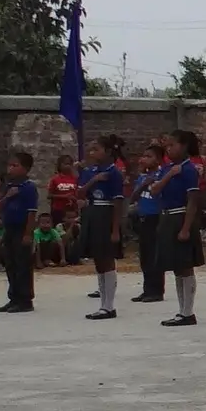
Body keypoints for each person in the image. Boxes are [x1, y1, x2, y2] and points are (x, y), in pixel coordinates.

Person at [152, 129, 206, 326]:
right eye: (166, 146)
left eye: (172, 145)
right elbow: (154, 189)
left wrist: (186, 228)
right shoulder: (167, 168)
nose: (168, 149)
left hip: (181, 216)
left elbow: (192, 201)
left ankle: (187, 312)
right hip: (167, 217)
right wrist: (169, 175)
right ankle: (181, 310)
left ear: (183, 146)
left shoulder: (189, 169)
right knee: (176, 266)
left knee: (185, 265)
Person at [77, 136, 128, 320]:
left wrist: (115, 229)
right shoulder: (90, 171)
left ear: (107, 151)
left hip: (106, 213)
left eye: (96, 149)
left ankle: (109, 305)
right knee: (98, 259)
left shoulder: (114, 173)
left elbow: (117, 202)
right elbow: (80, 192)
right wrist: (94, 180)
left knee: (107, 259)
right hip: (92, 212)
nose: (92, 153)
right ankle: (102, 303)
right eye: (91, 150)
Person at [0, 148, 41, 312]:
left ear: (25, 168)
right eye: (9, 165)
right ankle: (13, 297)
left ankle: (25, 299)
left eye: (15, 165)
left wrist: (28, 233)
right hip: (9, 227)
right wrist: (8, 196)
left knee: (22, 264)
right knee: (11, 263)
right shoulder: (8, 186)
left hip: (22, 228)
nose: (11, 169)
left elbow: (31, 212)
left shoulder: (29, 187)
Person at [131, 140, 167, 305]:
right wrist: (143, 185)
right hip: (143, 217)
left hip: (156, 218)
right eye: (143, 156)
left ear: (158, 159)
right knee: (145, 255)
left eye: (149, 156)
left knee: (154, 255)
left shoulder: (162, 176)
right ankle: (147, 289)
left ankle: (156, 290)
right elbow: (133, 198)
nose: (144, 159)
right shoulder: (143, 177)